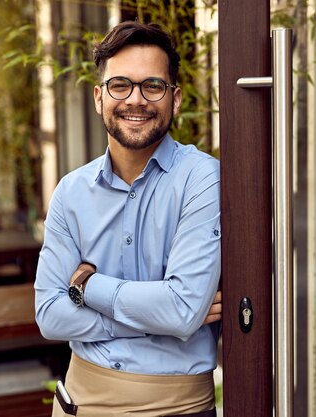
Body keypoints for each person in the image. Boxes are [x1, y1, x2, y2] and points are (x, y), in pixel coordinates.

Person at [34, 20, 222, 417]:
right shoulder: (71, 191)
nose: (136, 100)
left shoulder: (202, 178)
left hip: (177, 407)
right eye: (121, 85)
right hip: (80, 402)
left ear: (176, 98)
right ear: (99, 97)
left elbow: (183, 310)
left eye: (152, 86)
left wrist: (88, 288)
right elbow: (50, 316)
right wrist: (158, 316)